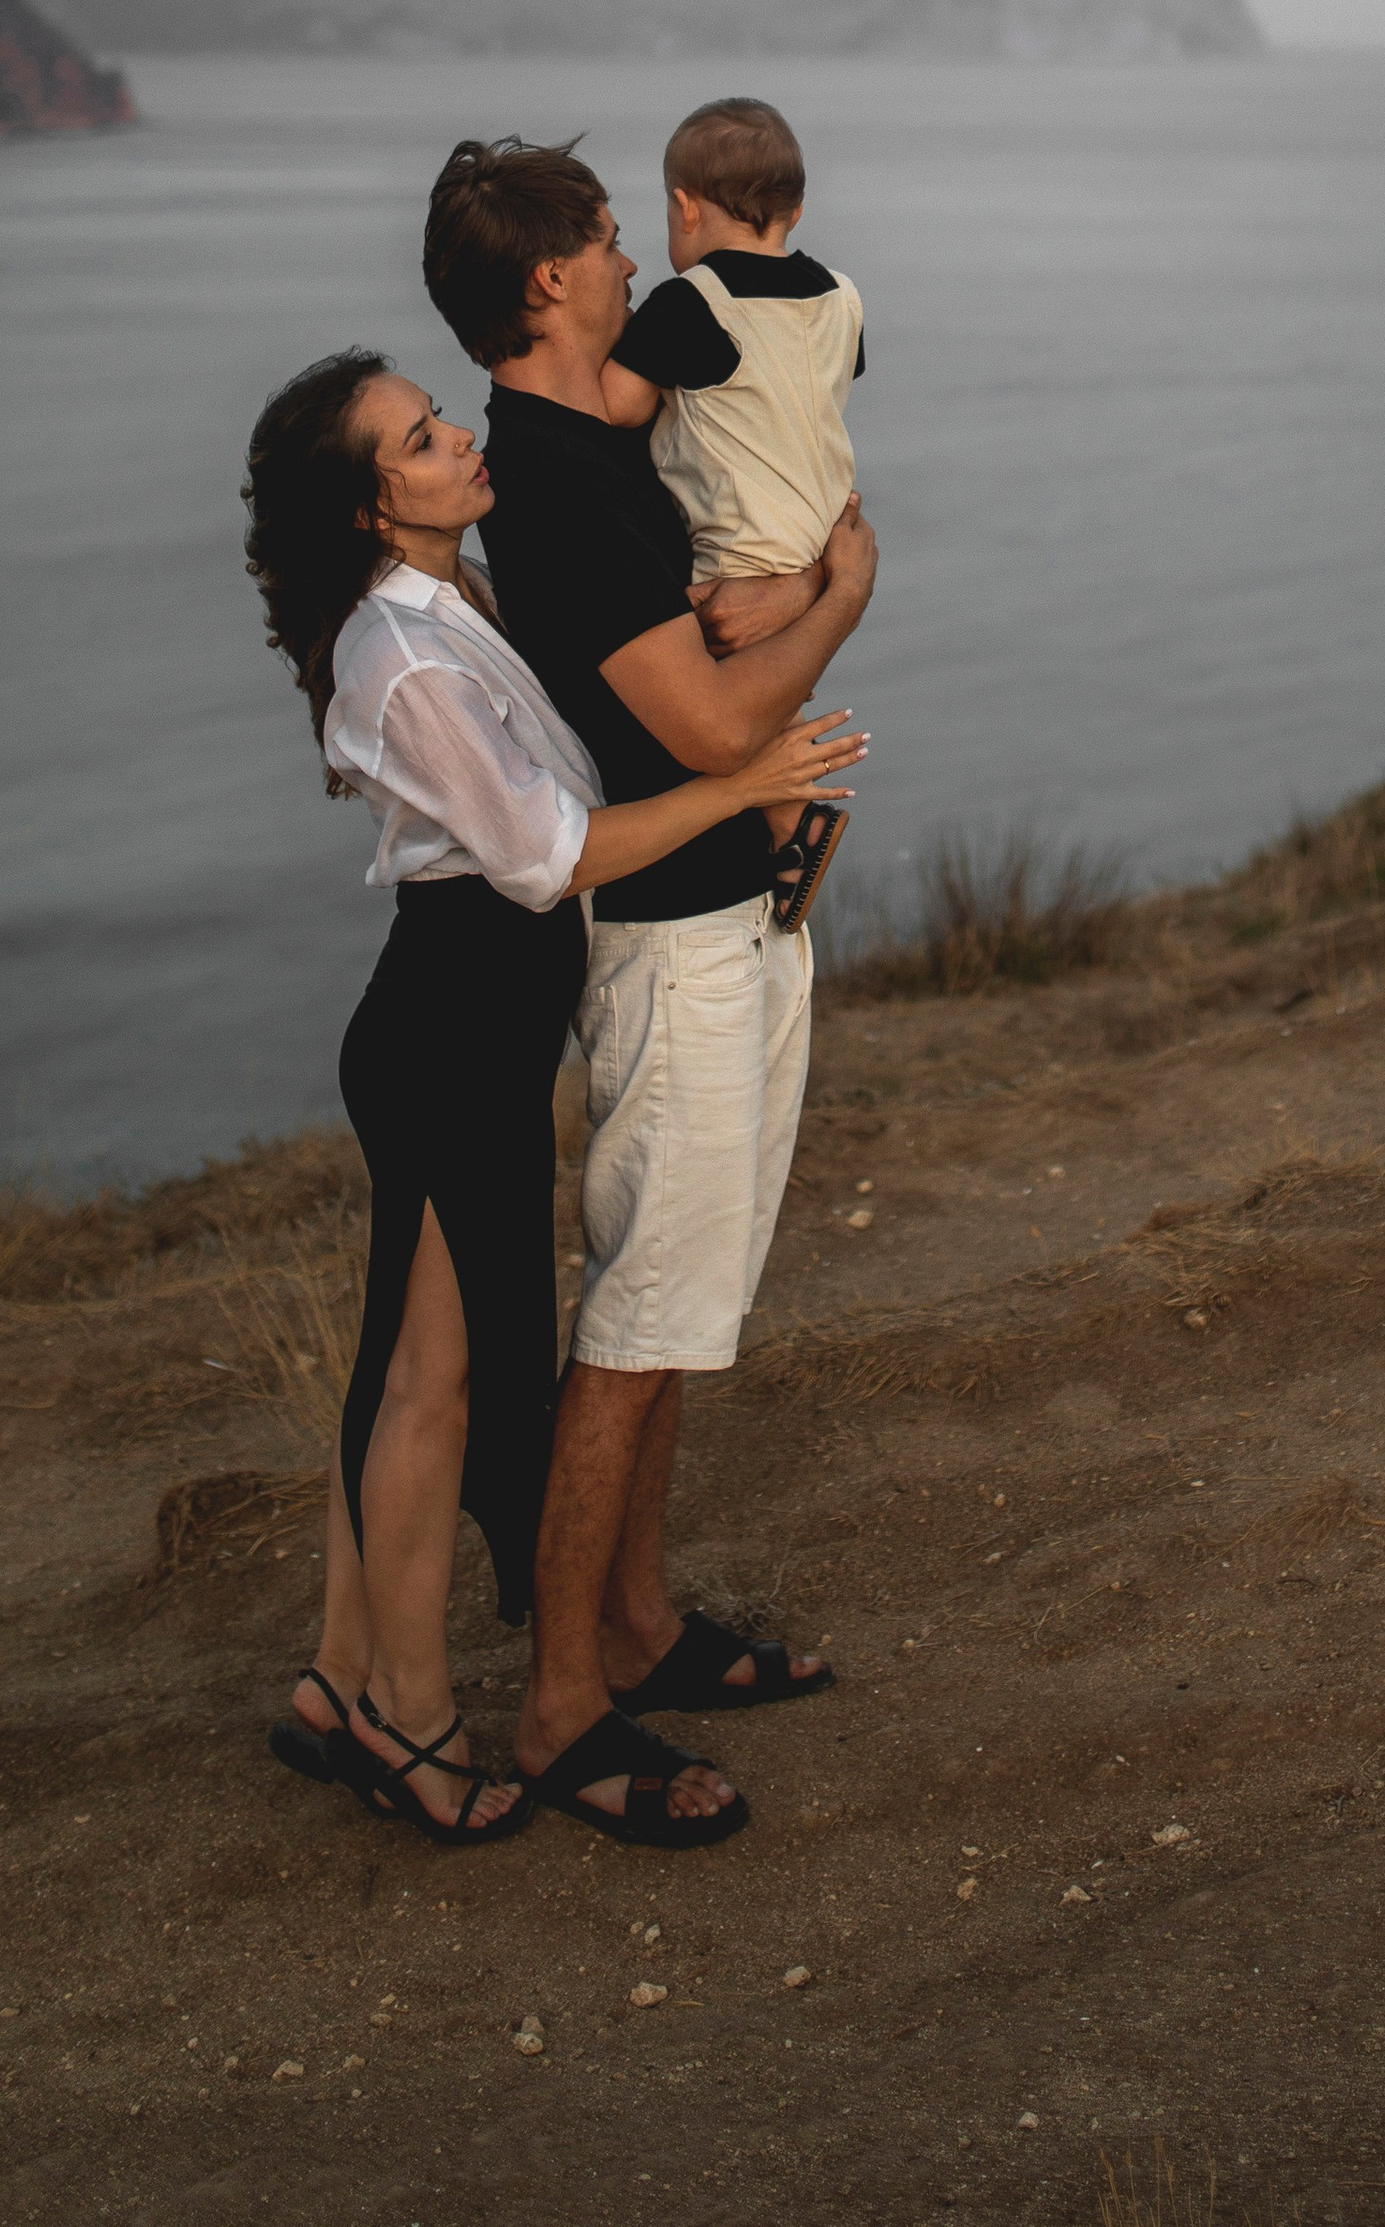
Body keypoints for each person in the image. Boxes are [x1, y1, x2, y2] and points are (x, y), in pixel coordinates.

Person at [242, 343, 863, 1851]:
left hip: (479, 1020)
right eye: (418, 440)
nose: (458, 439)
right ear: (369, 507)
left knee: (405, 1371)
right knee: (437, 1388)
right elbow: (545, 855)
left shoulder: (449, 601)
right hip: (455, 1023)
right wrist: (734, 785)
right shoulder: (405, 656)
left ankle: (337, 1680)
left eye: (440, 420)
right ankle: (409, 1722)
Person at [420, 138, 876, 1840]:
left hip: (732, 912)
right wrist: (844, 593)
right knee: (631, 1328)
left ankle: (639, 1623)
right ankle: (559, 1708)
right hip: (671, 946)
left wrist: (781, 592)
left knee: (679, 1305)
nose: (638, 262)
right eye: (612, 240)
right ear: (550, 281)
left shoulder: (604, 435)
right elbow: (712, 721)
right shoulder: (549, 482)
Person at [600, 93, 865, 925]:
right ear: (796, 208)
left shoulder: (692, 302)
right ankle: (789, 821)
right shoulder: (840, 295)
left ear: (685, 208)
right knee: (771, 685)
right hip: (814, 528)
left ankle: (789, 816)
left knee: (711, 694)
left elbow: (618, 405)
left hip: (743, 539)